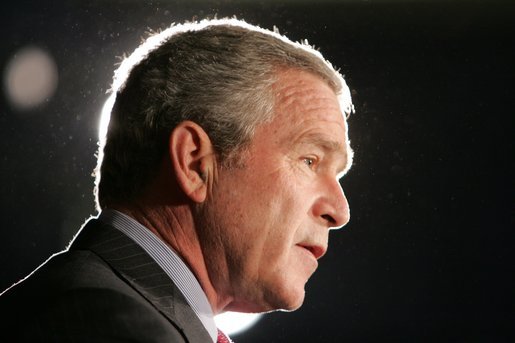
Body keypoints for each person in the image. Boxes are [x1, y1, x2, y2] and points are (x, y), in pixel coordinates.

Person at [0, 18, 354, 342]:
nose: (339, 211)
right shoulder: (106, 324)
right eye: (309, 161)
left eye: (336, 174)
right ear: (194, 163)